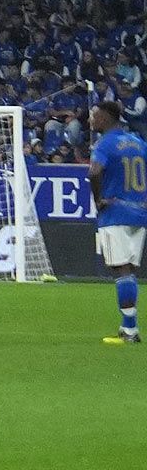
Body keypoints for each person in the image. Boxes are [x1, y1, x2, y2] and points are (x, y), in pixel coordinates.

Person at [89, 102, 147, 345]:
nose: (91, 120)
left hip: (115, 212)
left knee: (121, 269)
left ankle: (130, 330)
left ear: (106, 117)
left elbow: (94, 172)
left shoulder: (105, 144)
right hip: (139, 212)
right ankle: (128, 327)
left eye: (95, 116)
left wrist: (98, 200)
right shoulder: (138, 142)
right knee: (128, 270)